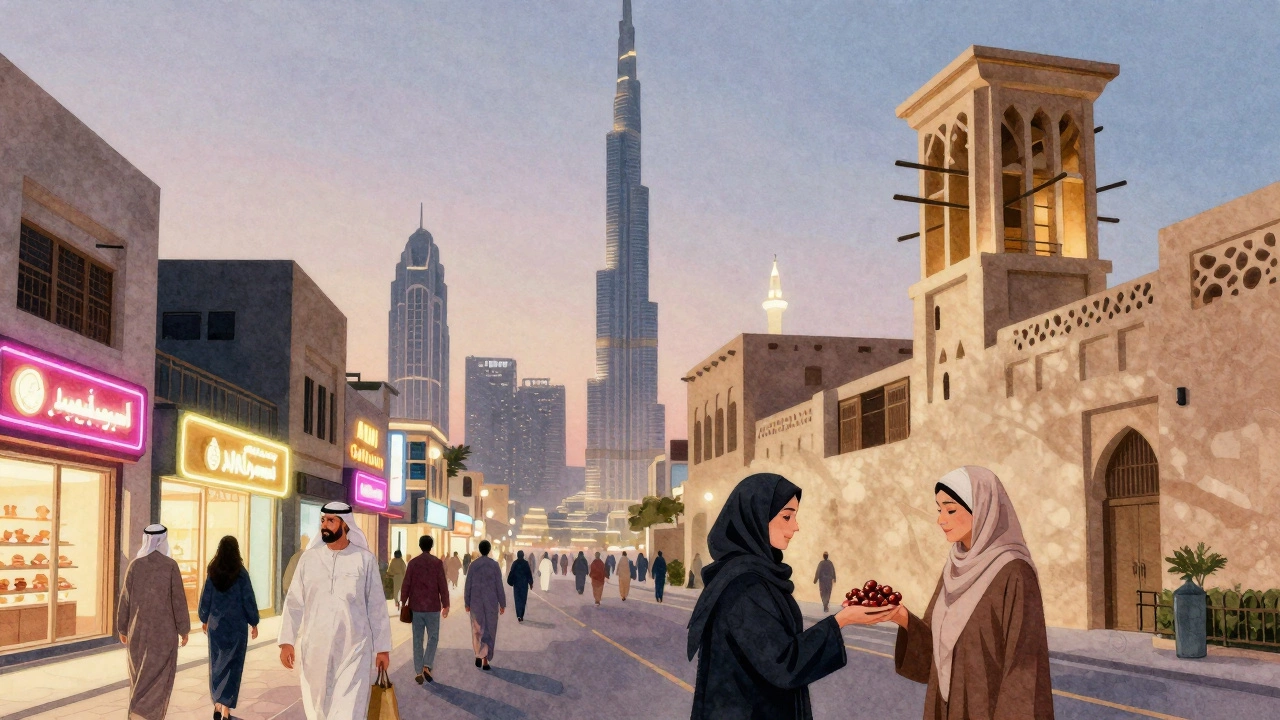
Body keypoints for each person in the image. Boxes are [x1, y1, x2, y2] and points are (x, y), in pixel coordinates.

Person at [861, 466, 1055, 719]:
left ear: (984, 509)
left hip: (987, 708)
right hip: (945, 706)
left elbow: (1024, 670)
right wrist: (902, 618)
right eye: (939, 510)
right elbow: (934, 650)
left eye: (951, 510)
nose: (941, 519)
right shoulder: (953, 568)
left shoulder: (1014, 572)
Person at [687, 473, 871, 719]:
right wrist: (841, 620)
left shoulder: (754, 576)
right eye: (786, 516)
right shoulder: (745, 587)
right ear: (756, 519)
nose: (795, 526)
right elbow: (784, 664)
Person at [279, 502, 392, 719]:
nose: (325, 525)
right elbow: (294, 602)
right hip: (315, 649)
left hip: (354, 650)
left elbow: (377, 607)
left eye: (331, 520)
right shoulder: (308, 560)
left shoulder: (365, 560)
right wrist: (286, 641)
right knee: (317, 710)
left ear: (346, 525)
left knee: (349, 711)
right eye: (323, 520)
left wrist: (383, 648)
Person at [117, 524, 190, 720]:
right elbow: (178, 600)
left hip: (137, 632)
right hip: (164, 633)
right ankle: (146, 715)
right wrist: (184, 629)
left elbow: (125, 600)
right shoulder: (170, 565)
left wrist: (122, 628)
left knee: (139, 675)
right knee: (160, 677)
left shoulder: (135, 565)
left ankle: (136, 713)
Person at [198, 536, 260, 720]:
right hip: (236, 627)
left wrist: (204, 618)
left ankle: (218, 704)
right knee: (233, 667)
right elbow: (248, 599)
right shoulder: (241, 573)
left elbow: (205, 599)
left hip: (216, 627)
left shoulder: (213, 572)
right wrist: (254, 621)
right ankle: (226, 709)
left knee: (216, 665)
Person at [401, 535, 450, 685]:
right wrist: (446, 604)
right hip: (433, 606)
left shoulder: (413, 563)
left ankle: (417, 671)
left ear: (420, 545)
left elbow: (406, 583)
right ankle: (427, 665)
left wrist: (403, 601)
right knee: (433, 637)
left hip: (416, 607)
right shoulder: (437, 563)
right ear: (431, 546)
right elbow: (442, 584)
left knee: (417, 639)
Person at [465, 540, 506, 670]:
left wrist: (467, 602)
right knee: (489, 629)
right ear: (489, 550)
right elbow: (499, 585)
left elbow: (468, 585)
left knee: (477, 629)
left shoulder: (473, 565)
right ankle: (485, 660)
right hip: (491, 602)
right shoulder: (494, 565)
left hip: (476, 602)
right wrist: (502, 603)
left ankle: (478, 654)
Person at [506, 550, 535, 622]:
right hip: (524, 585)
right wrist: (530, 583)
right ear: (523, 555)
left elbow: (511, 572)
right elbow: (529, 573)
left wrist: (510, 581)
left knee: (517, 599)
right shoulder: (525, 563)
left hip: (517, 584)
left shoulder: (515, 563)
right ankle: (521, 615)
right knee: (523, 600)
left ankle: (518, 615)